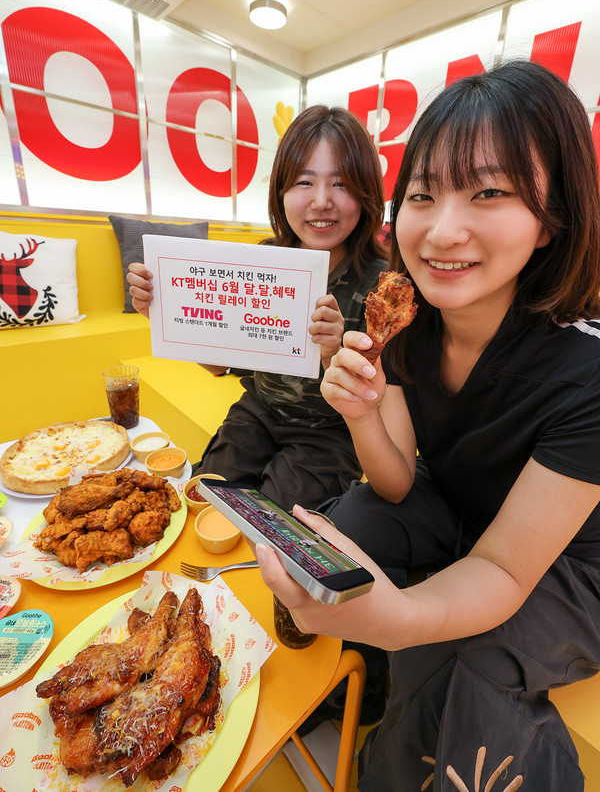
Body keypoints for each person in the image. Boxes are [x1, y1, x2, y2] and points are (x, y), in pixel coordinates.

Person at [256, 61, 600, 790]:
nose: (443, 230)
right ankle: (351, 690)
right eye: (423, 194)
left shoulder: (586, 374)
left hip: (569, 562)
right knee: (347, 521)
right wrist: (360, 412)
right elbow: (398, 478)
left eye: (490, 192)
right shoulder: (408, 318)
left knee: (458, 658)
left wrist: (401, 620)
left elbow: (507, 567)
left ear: (552, 219)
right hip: (461, 507)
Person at [128, 105, 387, 511]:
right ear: (281, 192)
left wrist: (334, 352)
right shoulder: (266, 260)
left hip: (330, 431)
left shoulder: (381, 285)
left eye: (341, 183)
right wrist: (164, 314)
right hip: (258, 410)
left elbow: (385, 399)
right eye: (304, 182)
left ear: (368, 192)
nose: (321, 201)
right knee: (206, 498)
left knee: (274, 524)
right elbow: (220, 367)